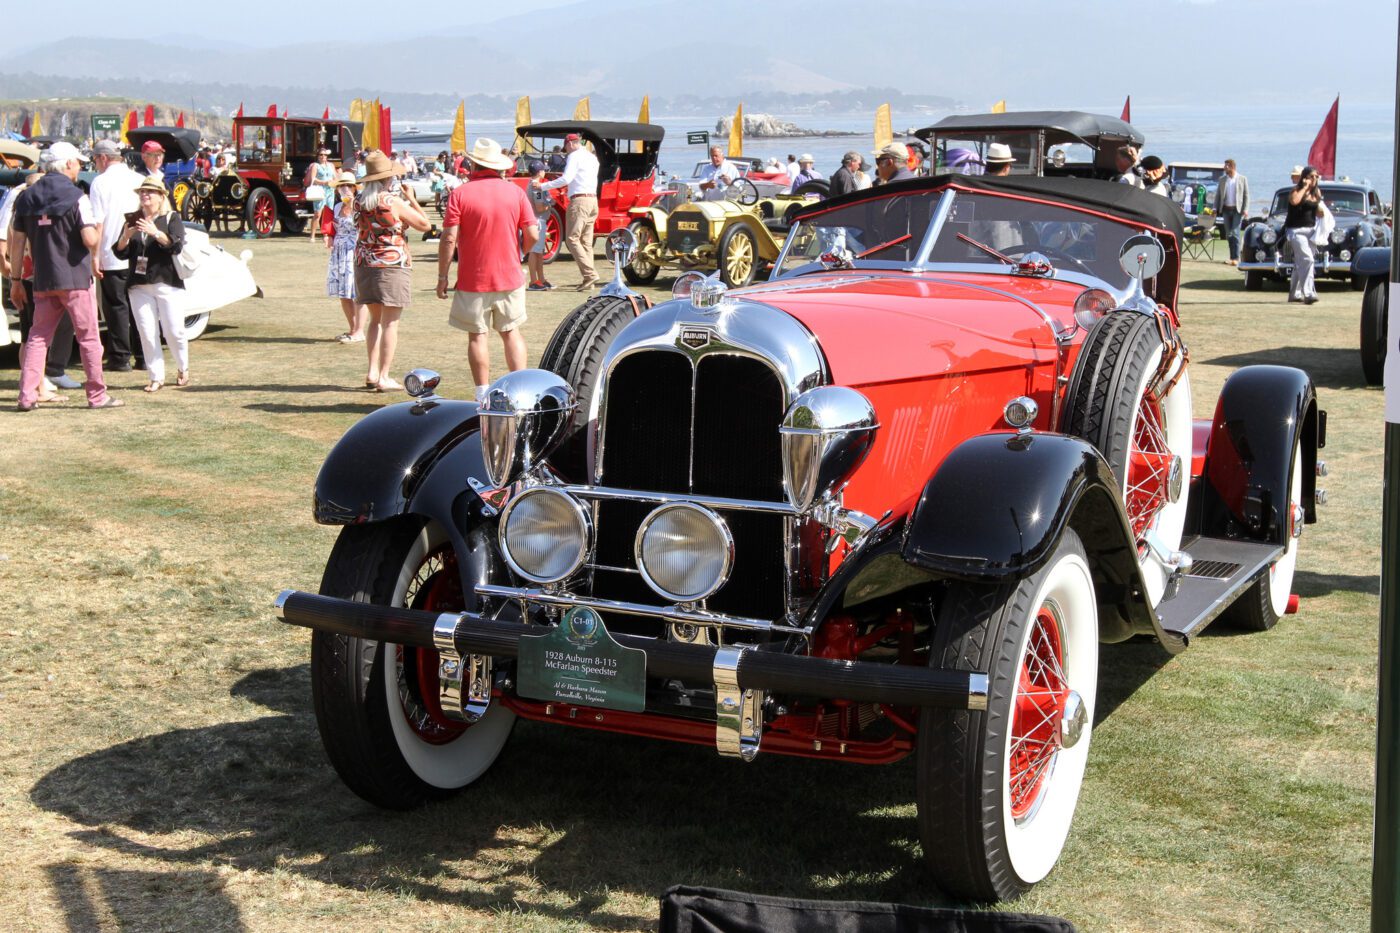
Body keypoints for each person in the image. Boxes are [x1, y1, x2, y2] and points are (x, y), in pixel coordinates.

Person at [8, 143, 121, 410]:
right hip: (74, 279)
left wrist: (15, 280)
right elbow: (89, 237)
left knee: (37, 337)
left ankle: (27, 395)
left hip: (43, 279)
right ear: (68, 164)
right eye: (78, 163)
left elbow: (16, 243)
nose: (80, 167)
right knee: (89, 337)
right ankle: (97, 395)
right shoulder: (76, 196)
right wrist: (96, 232)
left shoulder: (26, 197)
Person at [435, 138, 537, 402]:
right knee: (511, 332)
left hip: (472, 279)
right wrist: (520, 253)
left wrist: (443, 275)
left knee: (477, 336)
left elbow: (448, 238)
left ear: (473, 163)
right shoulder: (514, 192)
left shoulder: (460, 193)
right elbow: (533, 233)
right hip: (510, 276)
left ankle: (482, 394)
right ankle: (521, 390)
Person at [353, 151, 431, 392]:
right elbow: (425, 225)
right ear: (387, 179)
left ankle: (372, 371)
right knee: (390, 323)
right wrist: (412, 199)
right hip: (391, 263)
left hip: (365, 262)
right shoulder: (391, 201)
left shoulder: (359, 200)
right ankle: (384, 375)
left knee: (375, 320)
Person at [1, 170, 79, 397]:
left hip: (26, 279)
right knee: (37, 336)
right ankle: (38, 386)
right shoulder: (29, 217)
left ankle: (33, 383)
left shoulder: (19, 213)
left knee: (29, 336)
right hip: (36, 279)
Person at [114, 176, 189, 392]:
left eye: (150, 192)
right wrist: (125, 237)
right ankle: (156, 376)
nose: (144, 195)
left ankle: (183, 368)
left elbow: (175, 246)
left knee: (174, 331)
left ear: (161, 196)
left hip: (167, 281)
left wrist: (155, 232)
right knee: (147, 332)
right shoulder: (133, 220)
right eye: (142, 192)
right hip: (139, 284)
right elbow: (121, 252)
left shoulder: (171, 218)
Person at [88, 137, 144, 372]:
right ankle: (143, 355)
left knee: (116, 306)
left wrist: (94, 255)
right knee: (139, 306)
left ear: (103, 158)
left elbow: (97, 223)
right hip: (138, 251)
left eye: (95, 160)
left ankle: (120, 357)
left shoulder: (100, 183)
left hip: (112, 251)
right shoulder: (139, 179)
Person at [535, 132, 600, 291]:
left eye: (566, 147)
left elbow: (566, 179)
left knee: (572, 239)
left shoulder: (574, 156)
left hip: (579, 200)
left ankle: (590, 274)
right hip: (592, 200)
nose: (566, 150)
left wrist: (543, 186)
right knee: (586, 242)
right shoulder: (592, 157)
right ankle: (588, 278)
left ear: (570, 144)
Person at [321, 171, 366, 343]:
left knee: (356, 292)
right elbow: (331, 227)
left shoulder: (359, 205)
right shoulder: (337, 207)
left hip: (354, 249)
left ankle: (360, 330)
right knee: (343, 292)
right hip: (339, 251)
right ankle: (353, 329)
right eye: (341, 186)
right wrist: (328, 235)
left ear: (354, 188)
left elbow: (363, 227)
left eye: (348, 186)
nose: (344, 189)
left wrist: (352, 205)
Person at [1284, 165, 1324, 304]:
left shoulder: (1316, 192)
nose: (1314, 179)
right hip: (1296, 230)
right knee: (1308, 260)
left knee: (1301, 263)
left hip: (1311, 231)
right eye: (1311, 176)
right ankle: (1309, 293)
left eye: (1316, 177)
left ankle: (1294, 294)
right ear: (1305, 178)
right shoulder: (1296, 190)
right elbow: (1294, 201)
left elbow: (1316, 210)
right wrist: (1305, 188)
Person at [524, 160, 554, 291]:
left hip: (536, 221)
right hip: (538, 221)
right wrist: (550, 203)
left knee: (538, 252)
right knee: (535, 252)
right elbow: (540, 207)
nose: (544, 172)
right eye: (543, 170)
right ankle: (533, 280)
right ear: (539, 171)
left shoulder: (532, 185)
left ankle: (540, 279)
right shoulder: (536, 187)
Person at [1214, 158, 1250, 266]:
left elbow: (1246, 195)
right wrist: (1215, 208)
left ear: (1232, 167)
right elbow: (1218, 196)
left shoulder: (1242, 179)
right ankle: (1232, 257)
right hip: (1225, 209)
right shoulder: (1222, 180)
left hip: (1237, 210)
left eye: (1226, 166)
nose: (1224, 168)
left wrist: (1246, 209)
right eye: (1225, 166)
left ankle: (1237, 258)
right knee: (1229, 234)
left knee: (1235, 233)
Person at [305, 149, 337, 242]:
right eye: (321, 155)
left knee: (328, 214)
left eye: (325, 155)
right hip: (320, 190)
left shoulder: (331, 165)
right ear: (318, 156)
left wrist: (335, 183)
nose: (323, 156)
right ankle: (312, 235)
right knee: (317, 214)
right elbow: (313, 180)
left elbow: (335, 177)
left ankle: (326, 234)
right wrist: (324, 182)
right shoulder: (315, 166)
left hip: (330, 191)